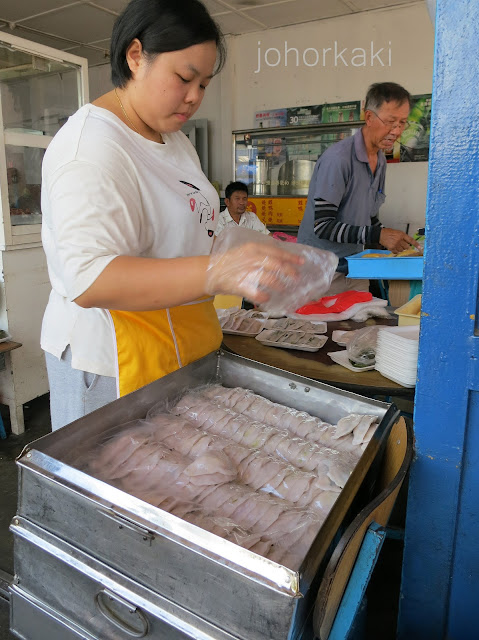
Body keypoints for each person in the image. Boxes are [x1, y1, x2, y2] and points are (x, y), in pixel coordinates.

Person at [41, 0, 301, 431]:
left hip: (179, 339)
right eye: (184, 78)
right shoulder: (89, 149)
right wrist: (216, 272)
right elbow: (90, 278)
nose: (195, 96)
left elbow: (198, 225)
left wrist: (259, 256)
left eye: (204, 83)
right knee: (117, 486)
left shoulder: (174, 139)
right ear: (136, 56)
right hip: (112, 361)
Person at [297, 82, 420, 295]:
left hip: (354, 268)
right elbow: (323, 225)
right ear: (369, 117)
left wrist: (391, 240)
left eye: (402, 123)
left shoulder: (380, 160)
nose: (397, 131)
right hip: (320, 272)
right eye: (390, 122)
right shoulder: (338, 159)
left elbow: (369, 216)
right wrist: (379, 234)